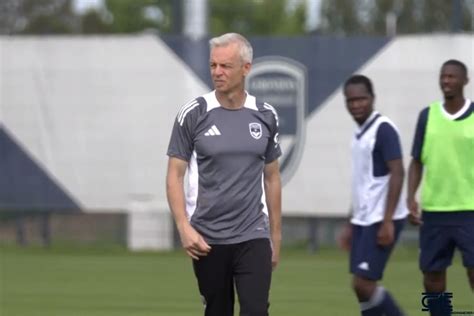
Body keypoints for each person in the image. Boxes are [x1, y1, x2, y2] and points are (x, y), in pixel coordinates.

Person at [166, 32, 282, 316]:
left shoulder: (266, 115)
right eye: (213, 65)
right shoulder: (193, 114)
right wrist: (184, 227)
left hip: (252, 234)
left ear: (246, 68)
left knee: (256, 310)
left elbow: (272, 178)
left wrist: (275, 238)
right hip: (207, 240)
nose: (217, 72)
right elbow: (174, 175)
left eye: (225, 66)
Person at [407, 59, 474, 315]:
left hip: (470, 209)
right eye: (443, 76)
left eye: (452, 76)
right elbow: (416, 161)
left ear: (465, 81)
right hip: (434, 211)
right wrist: (411, 197)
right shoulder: (428, 115)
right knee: (432, 276)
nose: (446, 81)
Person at [339, 75, 407, 316]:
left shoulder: (383, 129)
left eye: (361, 99)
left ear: (372, 99)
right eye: (351, 100)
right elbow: (361, 184)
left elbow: (398, 172)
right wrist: (350, 223)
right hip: (363, 219)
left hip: (381, 218)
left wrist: (388, 220)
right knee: (360, 288)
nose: (356, 105)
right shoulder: (358, 135)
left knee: (364, 284)